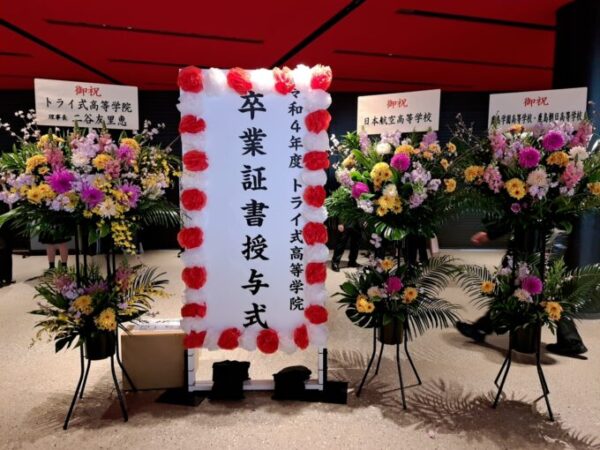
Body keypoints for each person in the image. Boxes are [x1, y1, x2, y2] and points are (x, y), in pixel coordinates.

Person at [456, 226, 588, 357]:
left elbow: (519, 216)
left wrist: (490, 234)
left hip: (535, 238)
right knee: (547, 289)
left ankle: (481, 328)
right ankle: (571, 340)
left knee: (515, 284)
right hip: (555, 237)